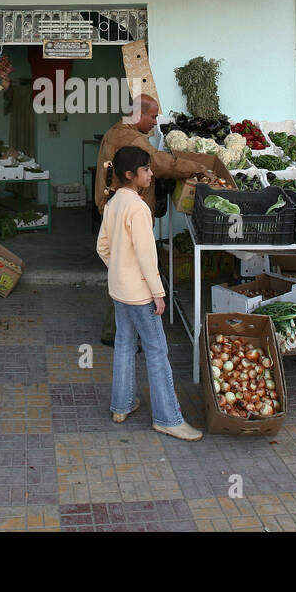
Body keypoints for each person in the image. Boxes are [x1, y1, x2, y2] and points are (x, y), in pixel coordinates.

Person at [96, 145, 203, 442]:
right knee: (157, 353)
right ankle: (168, 419)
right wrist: (159, 293)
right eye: (146, 170)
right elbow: (146, 256)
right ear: (131, 175)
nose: (151, 174)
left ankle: (121, 405)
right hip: (141, 295)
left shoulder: (114, 202)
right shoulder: (139, 208)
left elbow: (102, 248)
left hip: (119, 290)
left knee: (124, 345)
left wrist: (120, 269)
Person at [94, 94, 214, 345]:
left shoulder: (117, 131)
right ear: (138, 114)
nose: (156, 121)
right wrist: (196, 167)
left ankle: (118, 332)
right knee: (132, 269)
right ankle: (121, 332)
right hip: (123, 212)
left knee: (122, 268)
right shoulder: (130, 137)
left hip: (115, 209)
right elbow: (158, 163)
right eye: (153, 116)